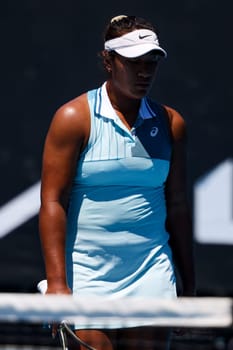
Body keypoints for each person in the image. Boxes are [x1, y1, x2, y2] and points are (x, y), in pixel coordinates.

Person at [39, 14, 195, 350]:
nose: (144, 72)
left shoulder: (171, 123)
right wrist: (56, 283)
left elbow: (178, 205)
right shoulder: (73, 119)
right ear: (109, 61)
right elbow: (52, 202)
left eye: (151, 62)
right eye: (133, 62)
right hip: (87, 274)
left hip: (152, 272)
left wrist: (190, 285)